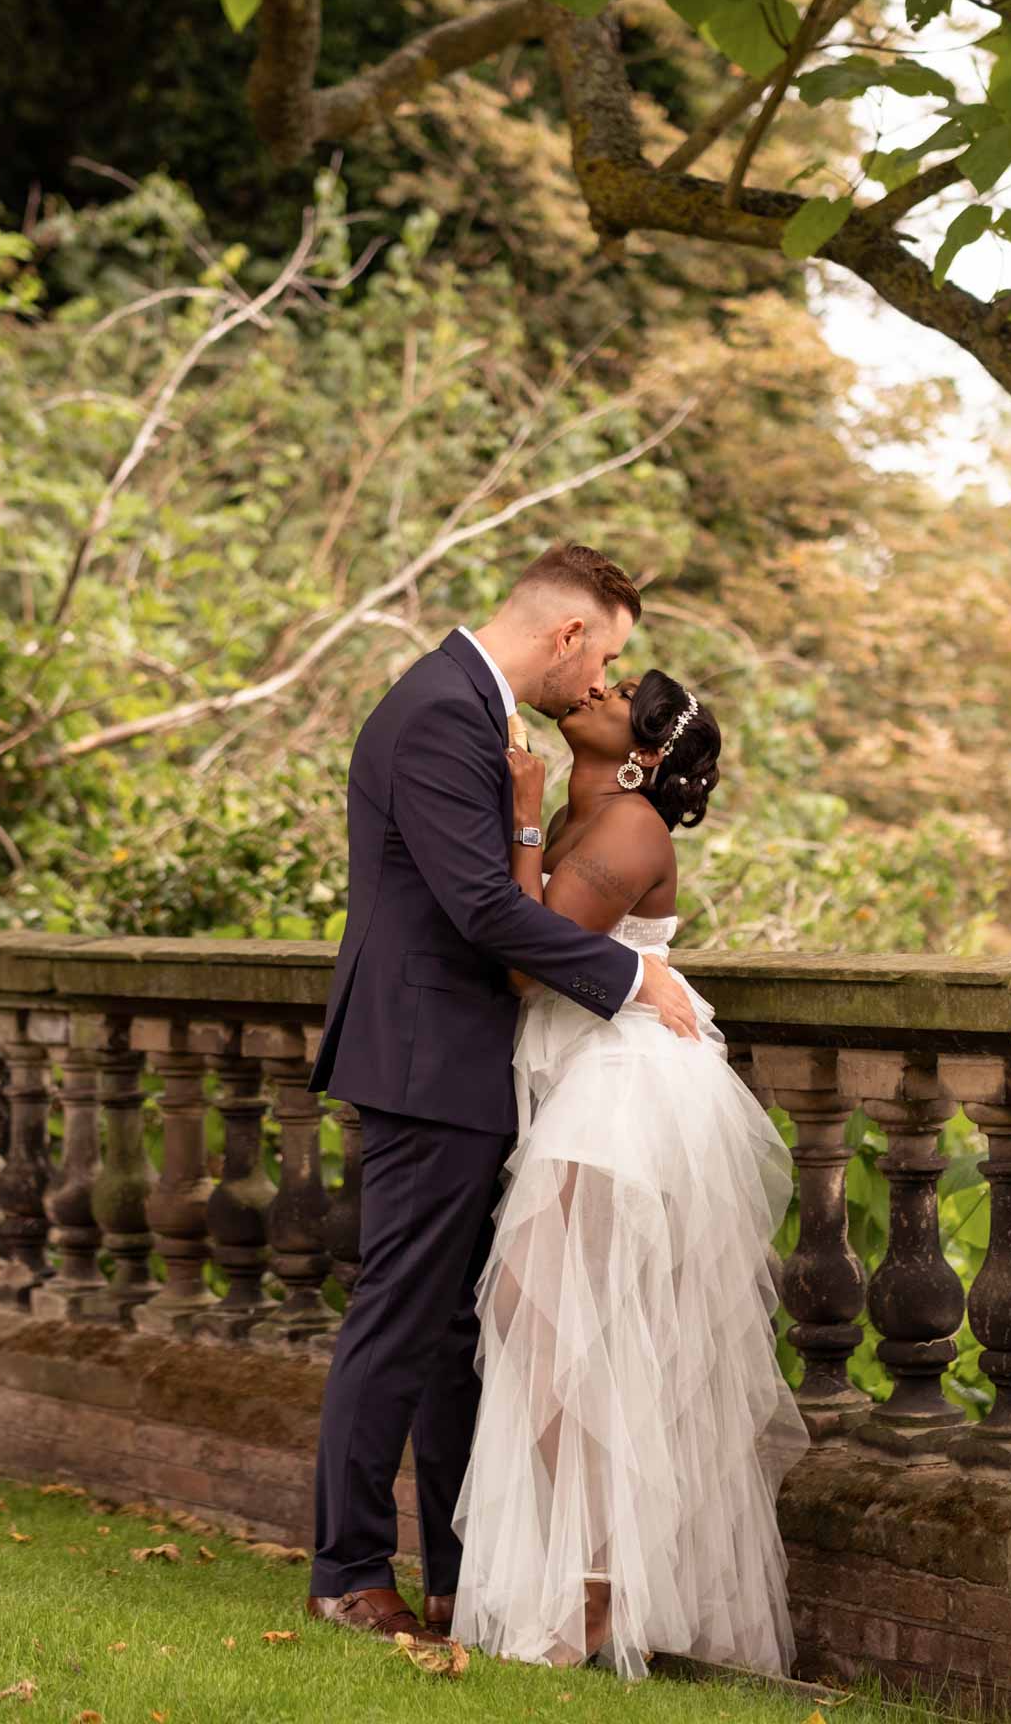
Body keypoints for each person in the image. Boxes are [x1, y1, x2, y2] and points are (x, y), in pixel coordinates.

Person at [303, 545, 698, 1648]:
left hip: (460, 1059)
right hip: (430, 1058)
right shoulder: (440, 710)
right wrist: (631, 976)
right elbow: (480, 908)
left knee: (449, 1334)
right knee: (400, 1318)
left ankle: (454, 1578)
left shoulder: (471, 710)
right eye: (606, 655)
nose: (601, 680)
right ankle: (344, 1572)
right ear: (566, 634)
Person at [449, 669, 809, 1679]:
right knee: (561, 1323)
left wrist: (520, 819)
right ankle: (596, 1580)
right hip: (590, 1077)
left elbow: (529, 963)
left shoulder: (628, 829)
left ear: (643, 751)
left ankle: (602, 1581)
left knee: (553, 1316)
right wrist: (526, 812)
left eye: (620, 696)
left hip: (626, 1085)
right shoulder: (587, 808)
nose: (595, 687)